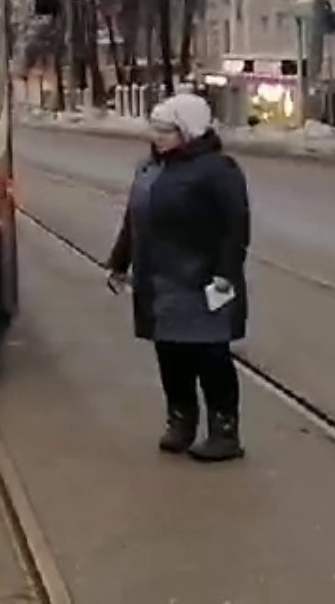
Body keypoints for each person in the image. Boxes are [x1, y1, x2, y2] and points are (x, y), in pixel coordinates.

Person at [105, 92, 251, 462]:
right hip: (159, 281)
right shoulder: (150, 169)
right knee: (170, 354)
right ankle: (181, 421)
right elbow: (133, 220)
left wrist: (225, 275)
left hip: (202, 281)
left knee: (210, 356)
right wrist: (119, 263)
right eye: (154, 129)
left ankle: (224, 431)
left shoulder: (218, 170)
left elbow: (235, 228)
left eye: (166, 129)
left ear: (189, 131)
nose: (157, 136)